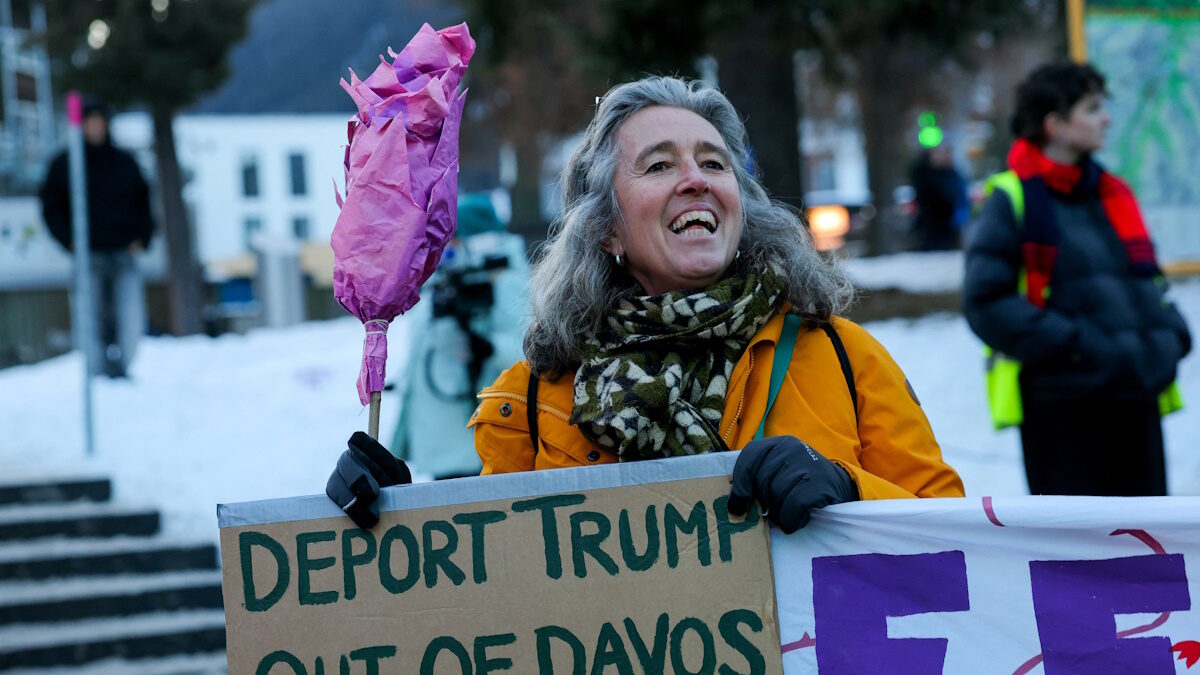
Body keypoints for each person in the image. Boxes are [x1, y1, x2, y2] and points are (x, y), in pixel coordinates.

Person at [328, 76, 964, 532]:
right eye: (659, 166)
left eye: (714, 163)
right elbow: (495, 595)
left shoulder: (844, 357)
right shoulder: (531, 401)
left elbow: (960, 540)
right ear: (605, 228)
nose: (696, 179)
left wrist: (850, 491)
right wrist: (389, 531)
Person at [963, 61, 1190, 496]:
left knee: (1147, 555)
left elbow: (1149, 286)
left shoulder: (1114, 194)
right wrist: (1080, 347)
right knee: (1081, 561)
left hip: (1136, 398)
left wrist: (1171, 336)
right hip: (1064, 412)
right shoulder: (1012, 197)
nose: (1106, 118)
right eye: (1092, 108)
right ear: (1056, 125)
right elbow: (986, 304)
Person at [39, 99, 154, 378]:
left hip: (122, 251)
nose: (95, 128)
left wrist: (142, 236)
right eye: (89, 122)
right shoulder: (66, 164)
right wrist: (67, 239)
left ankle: (125, 367)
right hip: (87, 252)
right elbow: (50, 205)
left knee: (130, 315)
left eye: (99, 122)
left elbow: (143, 201)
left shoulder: (124, 162)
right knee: (88, 316)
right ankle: (96, 372)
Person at [909, 144, 968, 251]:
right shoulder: (925, 175)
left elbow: (959, 197)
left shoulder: (953, 174)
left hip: (949, 225)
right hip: (930, 226)